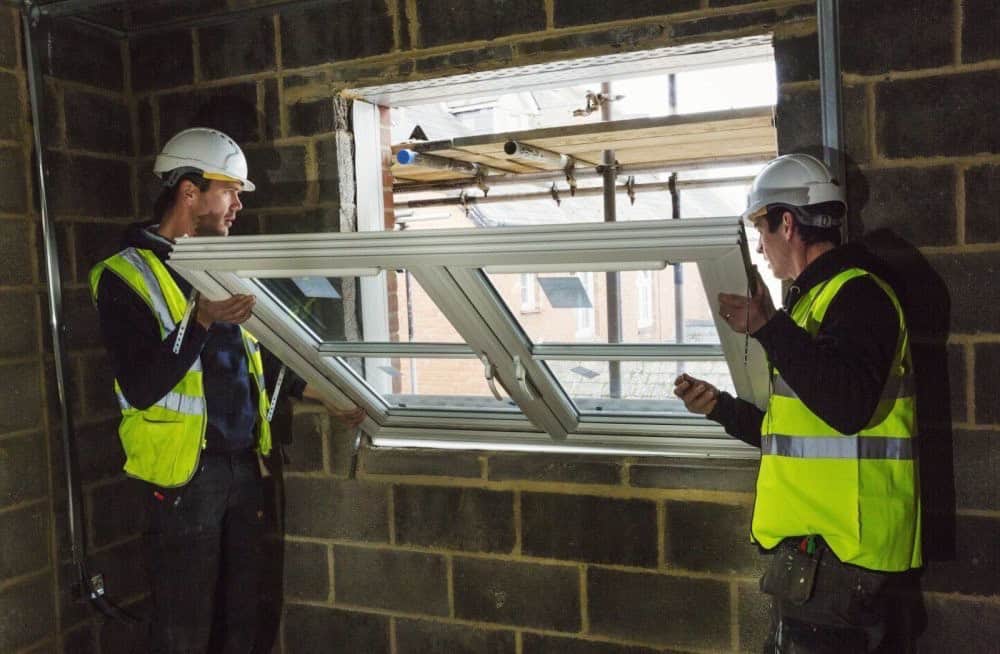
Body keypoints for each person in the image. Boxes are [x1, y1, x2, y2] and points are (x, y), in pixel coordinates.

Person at [88, 127, 364, 653]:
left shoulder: (221, 263)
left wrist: (327, 394)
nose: (238, 204)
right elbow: (143, 385)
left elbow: (254, 362)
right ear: (190, 192)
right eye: (231, 190)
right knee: (185, 626)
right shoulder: (125, 275)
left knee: (243, 618)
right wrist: (201, 321)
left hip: (242, 466)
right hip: (185, 477)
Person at [673, 153, 921, 653]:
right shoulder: (812, 302)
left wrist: (768, 327)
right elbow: (799, 433)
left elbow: (847, 408)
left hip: (843, 557)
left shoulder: (858, 297)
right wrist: (721, 408)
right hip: (824, 558)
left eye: (761, 232)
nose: (761, 249)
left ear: (787, 223)